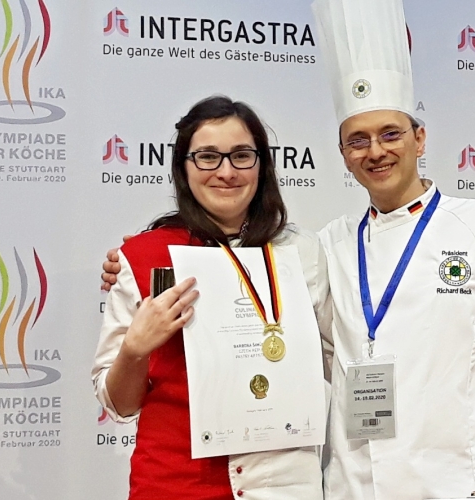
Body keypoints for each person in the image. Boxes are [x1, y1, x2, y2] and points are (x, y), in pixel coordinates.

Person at [103, 1, 475, 498]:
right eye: (358, 140)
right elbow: (245, 272)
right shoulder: (326, 245)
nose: (376, 151)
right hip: (355, 484)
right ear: (343, 153)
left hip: (462, 481)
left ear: (419, 138)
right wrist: (134, 263)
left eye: (390, 134)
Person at [93, 95, 331, 500]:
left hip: (282, 483)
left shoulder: (303, 251)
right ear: (183, 167)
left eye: (241, 156)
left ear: (261, 164)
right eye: (207, 157)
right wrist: (133, 349)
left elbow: (333, 360)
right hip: (177, 483)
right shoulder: (144, 256)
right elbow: (120, 405)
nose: (226, 172)